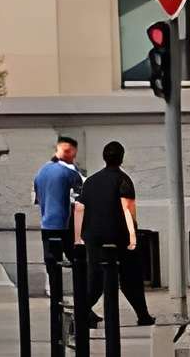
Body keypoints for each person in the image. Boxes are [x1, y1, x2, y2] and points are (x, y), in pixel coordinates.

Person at [76, 138, 155, 352]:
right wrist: (133, 237)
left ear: (104, 158)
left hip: (93, 235)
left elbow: (81, 209)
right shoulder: (123, 180)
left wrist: (80, 236)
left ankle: (79, 312)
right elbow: (129, 213)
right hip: (117, 236)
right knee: (130, 276)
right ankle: (142, 314)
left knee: (96, 278)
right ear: (121, 158)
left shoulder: (90, 181)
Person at [33, 135, 85, 331]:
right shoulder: (68, 172)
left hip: (46, 224)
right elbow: (81, 193)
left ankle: (56, 305)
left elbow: (38, 199)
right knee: (80, 265)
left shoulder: (41, 172)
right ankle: (83, 308)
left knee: (52, 267)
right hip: (65, 225)